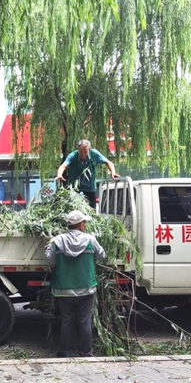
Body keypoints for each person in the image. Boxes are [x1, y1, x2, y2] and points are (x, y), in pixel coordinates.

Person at [45, 210, 105, 358]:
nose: (85, 224)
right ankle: (85, 352)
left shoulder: (58, 241)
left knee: (66, 321)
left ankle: (66, 351)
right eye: (84, 222)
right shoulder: (90, 240)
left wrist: (47, 244)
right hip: (85, 288)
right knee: (84, 321)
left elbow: (50, 259)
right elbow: (102, 255)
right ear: (81, 225)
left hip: (64, 289)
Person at [55, 139, 120, 208]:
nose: (83, 154)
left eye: (85, 152)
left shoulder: (94, 154)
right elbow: (63, 166)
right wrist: (59, 174)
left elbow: (108, 162)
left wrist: (113, 172)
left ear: (89, 149)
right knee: (74, 209)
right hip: (75, 188)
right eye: (81, 152)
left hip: (90, 187)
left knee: (92, 211)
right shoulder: (73, 156)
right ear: (78, 149)